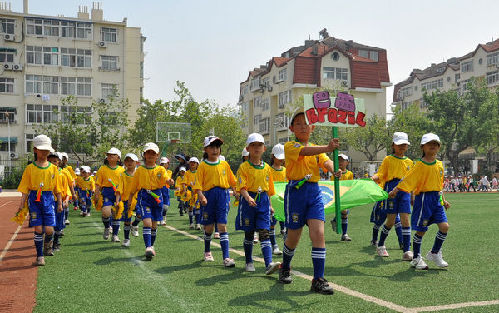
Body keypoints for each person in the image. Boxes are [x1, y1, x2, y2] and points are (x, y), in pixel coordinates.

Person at [279, 109, 340, 295]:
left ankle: (318, 279)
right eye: (298, 123)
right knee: (293, 237)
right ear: (292, 128)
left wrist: (333, 169)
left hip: (314, 193)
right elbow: (306, 151)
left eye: (306, 123)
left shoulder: (318, 150)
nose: (303, 126)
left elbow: (326, 161)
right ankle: (285, 267)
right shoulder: (289, 146)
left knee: (318, 234)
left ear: (312, 127)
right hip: (296, 193)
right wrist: (327, 148)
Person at [389, 133, 450, 270]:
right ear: (423, 147)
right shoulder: (419, 165)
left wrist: (444, 200)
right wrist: (395, 190)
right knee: (421, 230)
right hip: (423, 199)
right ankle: (416, 258)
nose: (433, 146)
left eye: (436, 144)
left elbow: (439, 185)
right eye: (430, 144)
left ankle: (434, 253)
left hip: (436, 200)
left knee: (444, 227)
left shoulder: (440, 165)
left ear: (439, 147)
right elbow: (407, 179)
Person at [235, 134, 281, 274]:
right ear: (248, 148)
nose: (256, 148)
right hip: (249, 201)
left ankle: (269, 263)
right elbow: (241, 187)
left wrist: (271, 205)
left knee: (264, 232)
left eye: (259, 145)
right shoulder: (243, 167)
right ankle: (249, 261)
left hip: (263, 202)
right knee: (249, 234)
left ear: (264, 149)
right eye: (253, 145)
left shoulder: (267, 168)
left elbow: (269, 189)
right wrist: (248, 197)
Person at [17, 135, 63, 266]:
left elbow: (57, 188)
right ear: (35, 149)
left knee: (49, 230)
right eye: (42, 150)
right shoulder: (30, 168)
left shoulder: (53, 169)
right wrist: (22, 204)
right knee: (38, 228)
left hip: (49, 199)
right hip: (34, 200)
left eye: (47, 150)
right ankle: (39, 256)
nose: (45, 153)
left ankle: (47, 245)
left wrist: (59, 202)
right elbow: (25, 188)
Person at [194, 136, 237, 267]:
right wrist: (201, 195)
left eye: (217, 147)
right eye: (212, 147)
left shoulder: (224, 164)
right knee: (209, 227)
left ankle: (226, 257)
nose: (215, 150)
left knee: (222, 226)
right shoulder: (202, 166)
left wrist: (236, 191)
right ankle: (207, 251)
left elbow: (232, 180)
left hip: (222, 196)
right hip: (208, 197)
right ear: (205, 149)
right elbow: (198, 184)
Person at [371, 132, 413, 261]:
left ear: (407, 146)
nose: (402, 147)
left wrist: (412, 195)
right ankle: (381, 245)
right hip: (391, 190)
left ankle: (406, 250)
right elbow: (381, 174)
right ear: (393, 145)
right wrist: (373, 178)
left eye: (404, 144)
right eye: (399, 144)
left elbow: (411, 179)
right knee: (390, 221)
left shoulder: (409, 162)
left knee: (406, 220)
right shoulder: (388, 159)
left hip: (405, 191)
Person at [128, 143, 168, 260]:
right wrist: (130, 199)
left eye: (153, 153)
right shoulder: (140, 170)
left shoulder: (161, 169)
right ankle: (148, 247)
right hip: (144, 196)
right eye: (148, 153)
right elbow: (134, 186)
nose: (150, 155)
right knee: (147, 223)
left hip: (157, 197)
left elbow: (166, 179)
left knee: (154, 226)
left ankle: (151, 246)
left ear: (157, 156)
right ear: (144, 155)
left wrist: (169, 181)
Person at [94, 147, 125, 242]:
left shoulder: (122, 170)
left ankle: (115, 235)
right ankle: (107, 227)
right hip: (107, 192)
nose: (110, 156)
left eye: (113, 155)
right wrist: (96, 193)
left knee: (116, 213)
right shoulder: (102, 169)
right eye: (109, 155)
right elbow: (98, 183)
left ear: (118, 158)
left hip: (118, 193)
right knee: (106, 212)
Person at [116, 153, 139, 247]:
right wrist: (117, 201)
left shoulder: (139, 173)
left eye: (131, 161)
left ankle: (135, 224)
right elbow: (119, 189)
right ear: (124, 162)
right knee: (127, 220)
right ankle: (126, 239)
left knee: (141, 215)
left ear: (136, 162)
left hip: (138, 199)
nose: (129, 163)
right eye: (127, 161)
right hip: (126, 200)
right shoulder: (122, 175)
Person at [330, 154, 354, 241]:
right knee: (344, 212)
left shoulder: (350, 174)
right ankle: (344, 233)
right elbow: (332, 184)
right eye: (338, 160)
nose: (340, 162)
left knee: (344, 214)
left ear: (347, 162)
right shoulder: (334, 173)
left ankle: (337, 221)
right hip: (337, 195)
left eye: (342, 160)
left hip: (346, 196)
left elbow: (350, 185)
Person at [269, 143, 286, 253]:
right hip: (272, 201)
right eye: (278, 157)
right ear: (273, 156)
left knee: (286, 225)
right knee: (271, 225)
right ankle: (274, 245)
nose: (281, 160)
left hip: (283, 201)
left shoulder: (285, 170)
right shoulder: (268, 170)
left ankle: (286, 246)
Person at [185, 157, 201, 230]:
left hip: (197, 192)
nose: (192, 164)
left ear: (197, 164)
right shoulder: (187, 173)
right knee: (190, 207)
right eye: (191, 162)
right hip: (190, 192)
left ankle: (198, 223)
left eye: (194, 163)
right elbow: (185, 183)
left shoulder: (199, 172)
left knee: (197, 207)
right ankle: (191, 223)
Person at [159, 157, 175, 226]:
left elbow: (168, 180)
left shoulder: (169, 172)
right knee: (159, 204)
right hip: (159, 188)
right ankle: (161, 219)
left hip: (166, 189)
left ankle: (163, 217)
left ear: (167, 164)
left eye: (164, 164)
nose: (162, 165)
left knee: (165, 206)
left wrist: (171, 182)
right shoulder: (157, 171)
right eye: (161, 164)